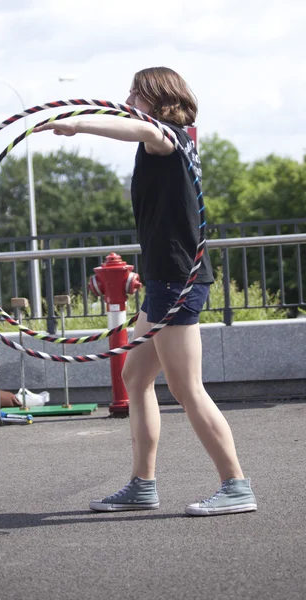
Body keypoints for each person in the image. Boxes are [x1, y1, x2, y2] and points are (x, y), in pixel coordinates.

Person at [34, 66, 257, 517]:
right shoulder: (173, 138)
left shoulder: (167, 135)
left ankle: (236, 485)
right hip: (165, 278)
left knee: (187, 387)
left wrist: (77, 122)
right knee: (135, 379)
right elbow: (138, 127)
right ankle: (142, 484)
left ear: (155, 98)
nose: (128, 97)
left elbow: (139, 127)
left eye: (135, 91)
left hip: (178, 279)